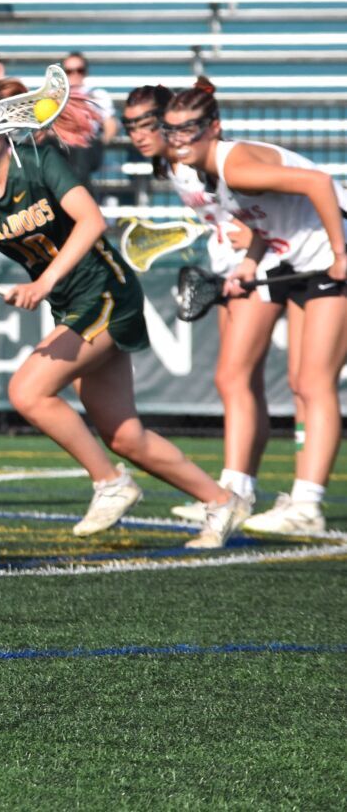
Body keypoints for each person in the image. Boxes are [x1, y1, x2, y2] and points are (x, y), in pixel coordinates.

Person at [0, 79, 249, 549]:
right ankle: (222, 501)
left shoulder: (39, 162)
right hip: (70, 305)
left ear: (5, 124)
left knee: (27, 392)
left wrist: (43, 283)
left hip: (105, 291)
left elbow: (92, 222)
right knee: (125, 436)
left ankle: (110, 483)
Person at [159, 78, 347, 536]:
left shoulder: (234, 166)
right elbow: (269, 219)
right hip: (300, 262)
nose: (178, 140)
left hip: (328, 259)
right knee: (300, 381)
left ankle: (307, 506)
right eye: (172, 131)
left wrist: (341, 254)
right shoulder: (209, 173)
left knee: (315, 382)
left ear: (214, 128)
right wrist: (249, 262)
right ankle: (301, 500)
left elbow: (319, 183)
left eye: (190, 129)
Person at [123, 85, 278, 521]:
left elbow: (275, 192)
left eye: (146, 123)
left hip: (263, 263)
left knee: (234, 377)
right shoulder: (170, 164)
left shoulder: (206, 160)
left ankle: (233, 493)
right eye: (129, 124)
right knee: (245, 382)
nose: (138, 133)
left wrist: (255, 241)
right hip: (231, 266)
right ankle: (241, 489)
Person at [60, 52, 118, 187]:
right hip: (60, 145)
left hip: (86, 147)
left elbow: (110, 124)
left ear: (85, 72)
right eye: (69, 71)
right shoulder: (53, 97)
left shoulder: (97, 95)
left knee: (81, 149)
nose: (75, 75)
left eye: (79, 70)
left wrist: (101, 141)